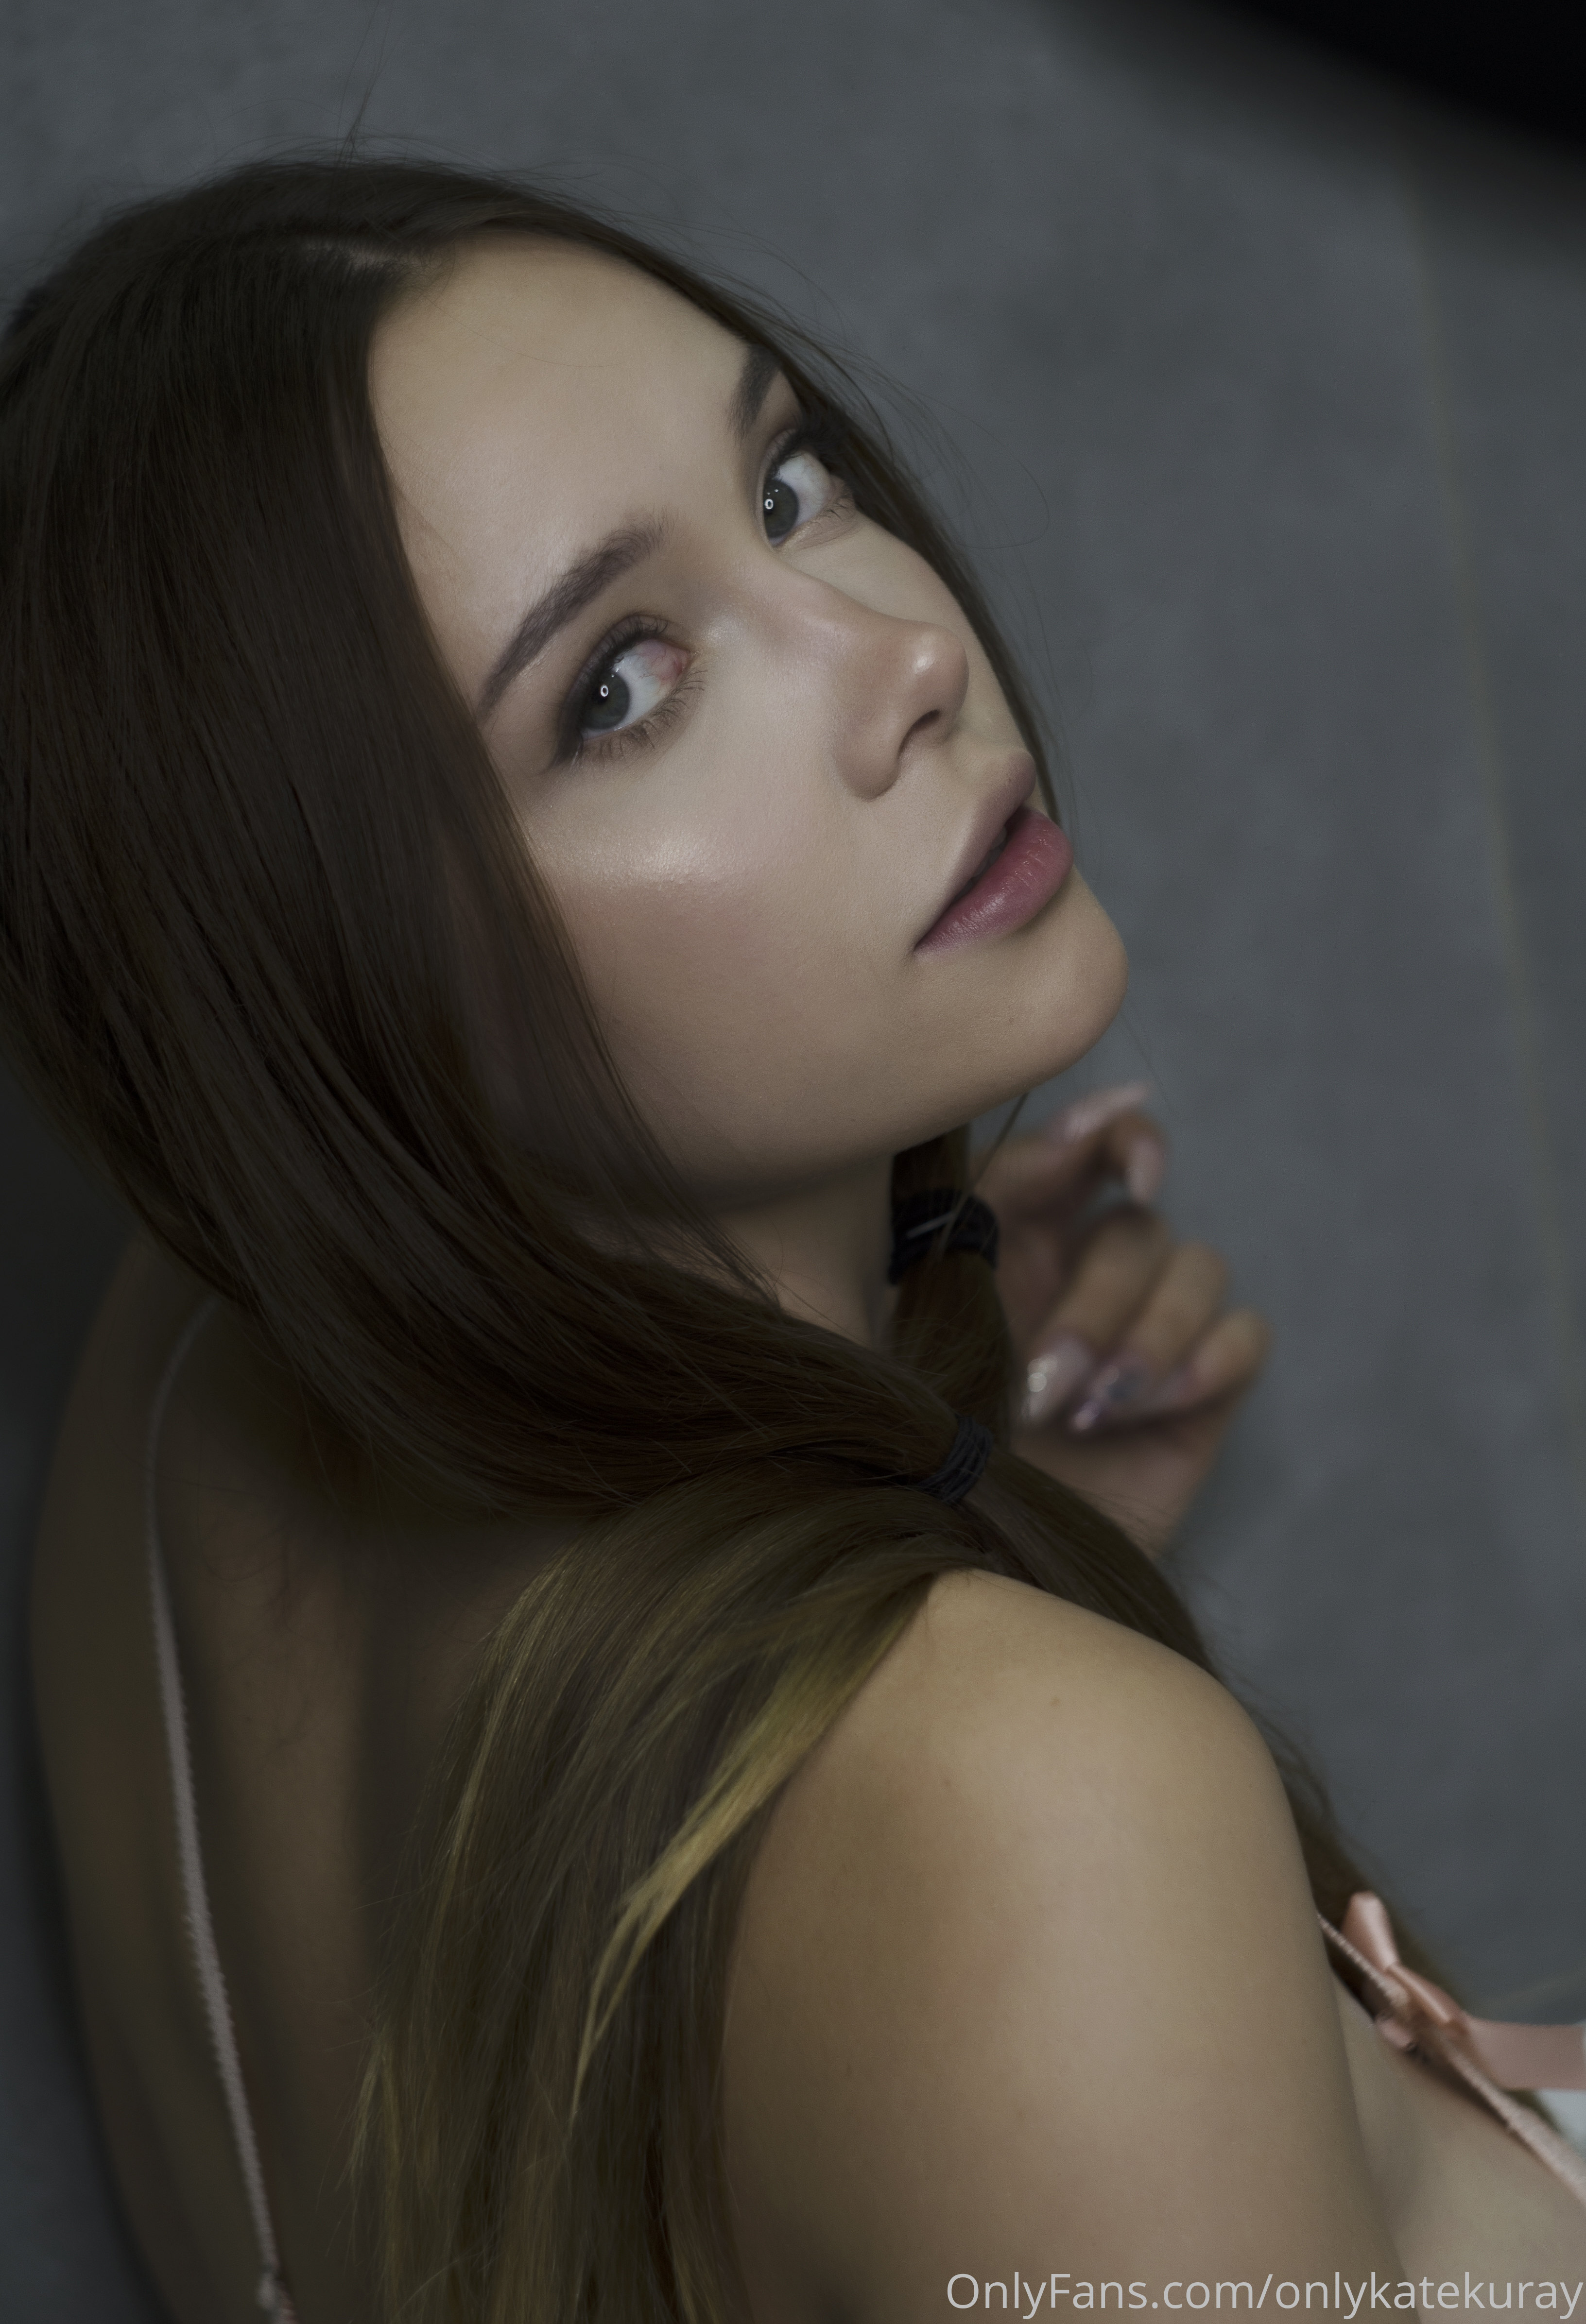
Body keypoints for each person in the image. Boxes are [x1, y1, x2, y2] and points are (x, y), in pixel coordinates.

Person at [3, 157, 1583, 2324]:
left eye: (788, 482)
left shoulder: (177, 1386)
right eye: (618, 689)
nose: (909, 657)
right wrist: (989, 1717)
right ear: (336, 996)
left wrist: (948, 1513)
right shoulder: (1047, 1817)